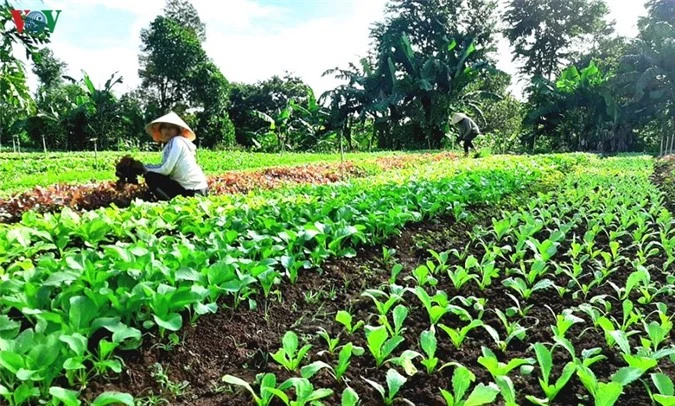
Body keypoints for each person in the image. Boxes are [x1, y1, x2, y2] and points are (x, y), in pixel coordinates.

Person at [139, 111, 209, 201]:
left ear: (177, 131)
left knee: (151, 177)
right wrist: (145, 166)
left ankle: (168, 204)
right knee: (155, 175)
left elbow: (165, 169)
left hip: (194, 192)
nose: (167, 130)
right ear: (160, 131)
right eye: (164, 127)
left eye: (171, 128)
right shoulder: (173, 144)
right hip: (197, 190)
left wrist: (142, 168)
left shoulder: (177, 141)